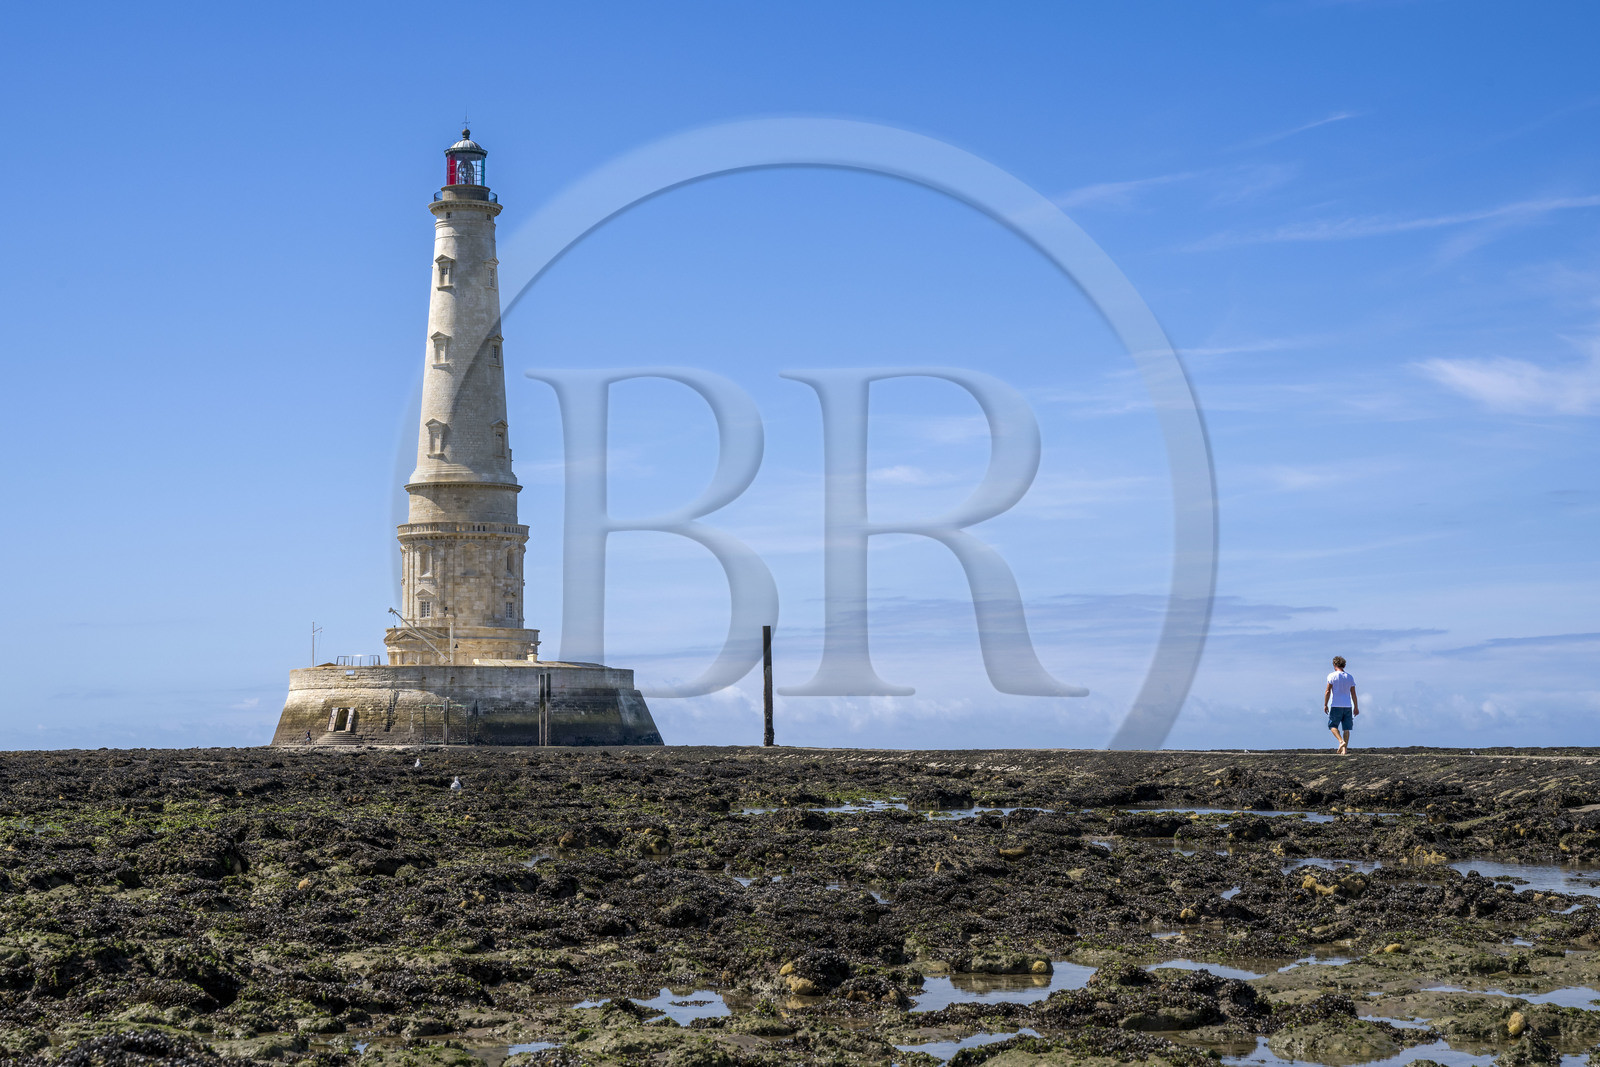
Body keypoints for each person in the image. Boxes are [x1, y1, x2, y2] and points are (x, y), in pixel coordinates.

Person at [1323, 656, 1359, 755]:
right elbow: (1353, 694)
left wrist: (1325, 704)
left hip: (1336, 705)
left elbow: (1327, 691)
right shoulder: (1350, 677)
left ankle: (1341, 741)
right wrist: (1356, 707)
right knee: (1346, 728)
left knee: (1332, 726)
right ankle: (1344, 750)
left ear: (1334, 665)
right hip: (1348, 705)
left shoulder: (1332, 676)